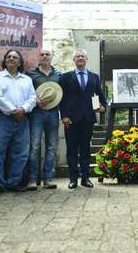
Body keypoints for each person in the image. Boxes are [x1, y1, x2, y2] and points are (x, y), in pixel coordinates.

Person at [0, 50, 36, 195]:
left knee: (21, 153)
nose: (11, 59)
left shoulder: (27, 80)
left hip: (23, 119)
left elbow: (32, 97)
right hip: (2, 118)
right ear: (5, 60)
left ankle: (14, 182)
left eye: (14, 57)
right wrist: (13, 110)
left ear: (20, 62)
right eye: (8, 57)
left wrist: (23, 109)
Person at [59, 49, 106, 189]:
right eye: (77, 56)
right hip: (71, 119)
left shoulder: (94, 77)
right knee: (72, 149)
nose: (80, 58)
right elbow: (62, 98)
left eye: (82, 56)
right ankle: (73, 179)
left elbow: (100, 95)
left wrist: (103, 107)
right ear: (74, 60)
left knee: (85, 149)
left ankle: (85, 178)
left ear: (86, 59)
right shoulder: (65, 77)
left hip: (88, 118)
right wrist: (64, 116)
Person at [26, 49, 62, 190]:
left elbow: (61, 92)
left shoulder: (58, 74)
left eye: (47, 54)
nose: (45, 56)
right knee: (34, 146)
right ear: (38, 57)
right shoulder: (31, 73)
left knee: (52, 146)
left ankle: (48, 178)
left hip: (53, 113)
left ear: (52, 57)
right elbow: (27, 91)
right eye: (42, 54)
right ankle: (33, 179)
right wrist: (36, 101)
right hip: (36, 113)